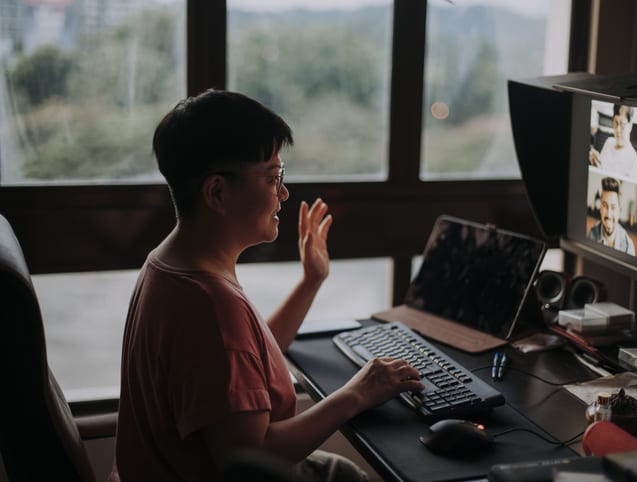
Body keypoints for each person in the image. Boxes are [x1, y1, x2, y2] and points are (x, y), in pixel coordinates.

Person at [114, 89, 425, 482]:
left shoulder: (169, 264)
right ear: (217, 193)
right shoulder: (211, 305)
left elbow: (239, 365)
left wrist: (311, 281)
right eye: (272, 177)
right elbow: (249, 458)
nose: (283, 193)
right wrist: (356, 394)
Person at [589, 104, 637, 179]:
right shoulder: (609, 142)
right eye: (615, 123)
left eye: (622, 124)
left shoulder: (631, 157)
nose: (618, 130)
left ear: (630, 125)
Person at [587, 176, 636, 255]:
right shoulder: (592, 234)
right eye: (605, 206)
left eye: (613, 207)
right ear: (600, 209)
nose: (609, 214)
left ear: (619, 211)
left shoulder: (628, 247)